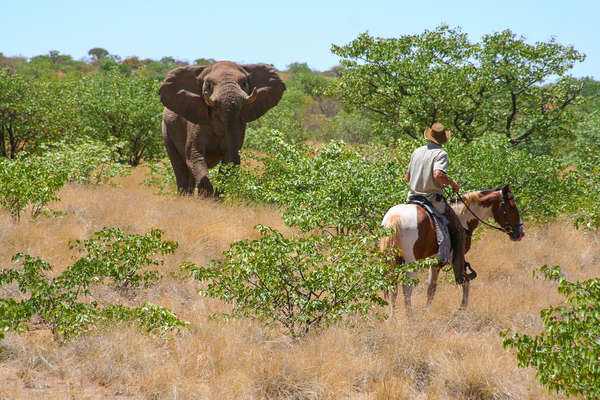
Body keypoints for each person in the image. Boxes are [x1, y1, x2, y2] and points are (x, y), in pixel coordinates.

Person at [406, 122, 467, 284]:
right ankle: (459, 272)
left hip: (412, 198)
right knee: (458, 230)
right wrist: (453, 183)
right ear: (442, 139)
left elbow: (408, 177)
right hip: (431, 199)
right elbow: (438, 174)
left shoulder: (417, 151)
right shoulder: (441, 153)